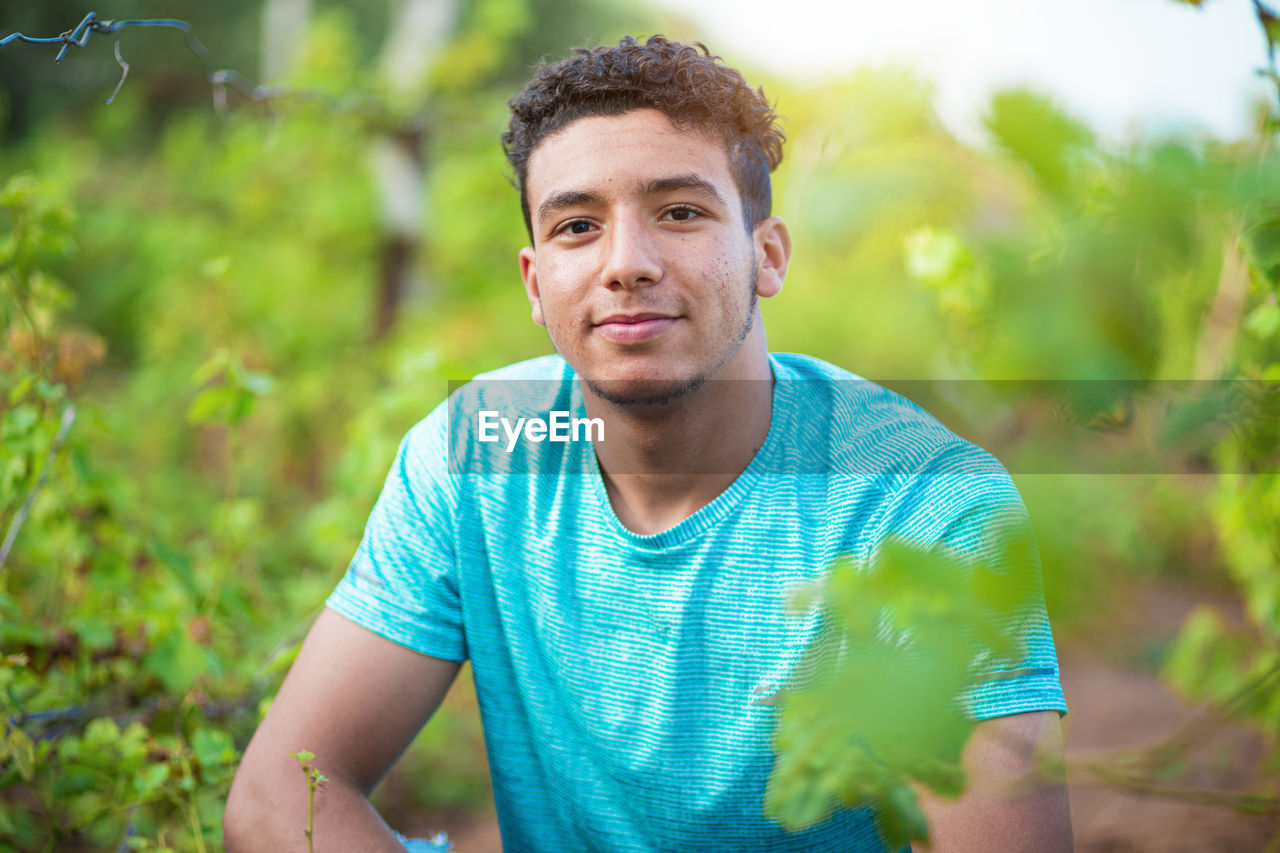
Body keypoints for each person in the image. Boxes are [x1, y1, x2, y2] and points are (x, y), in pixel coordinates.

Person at [224, 35, 1073, 852]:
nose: (625, 262)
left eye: (678, 211)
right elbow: (280, 795)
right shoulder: (479, 454)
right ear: (535, 281)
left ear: (766, 254)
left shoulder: (928, 504)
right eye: (576, 227)